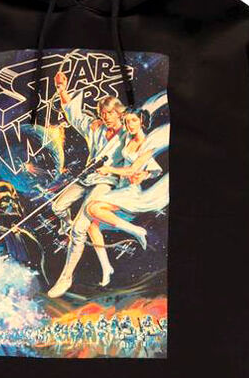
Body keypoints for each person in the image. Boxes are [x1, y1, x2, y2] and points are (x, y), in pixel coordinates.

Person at [47, 70, 127, 297]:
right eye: (103, 113)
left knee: (79, 228)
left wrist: (113, 170)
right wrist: (62, 90)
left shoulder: (127, 134)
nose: (106, 117)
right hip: (88, 177)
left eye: (110, 113)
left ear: (119, 112)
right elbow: (74, 116)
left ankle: (66, 277)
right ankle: (66, 226)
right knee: (57, 206)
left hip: (106, 183)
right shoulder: (96, 128)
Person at [84, 107, 169, 249]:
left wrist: (109, 169)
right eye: (127, 121)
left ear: (141, 121)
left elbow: (132, 169)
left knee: (93, 208)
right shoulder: (129, 137)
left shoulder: (148, 144)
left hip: (130, 191)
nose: (130, 125)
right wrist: (147, 174)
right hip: (120, 186)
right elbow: (153, 170)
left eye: (134, 120)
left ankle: (137, 231)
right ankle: (105, 263)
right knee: (92, 227)